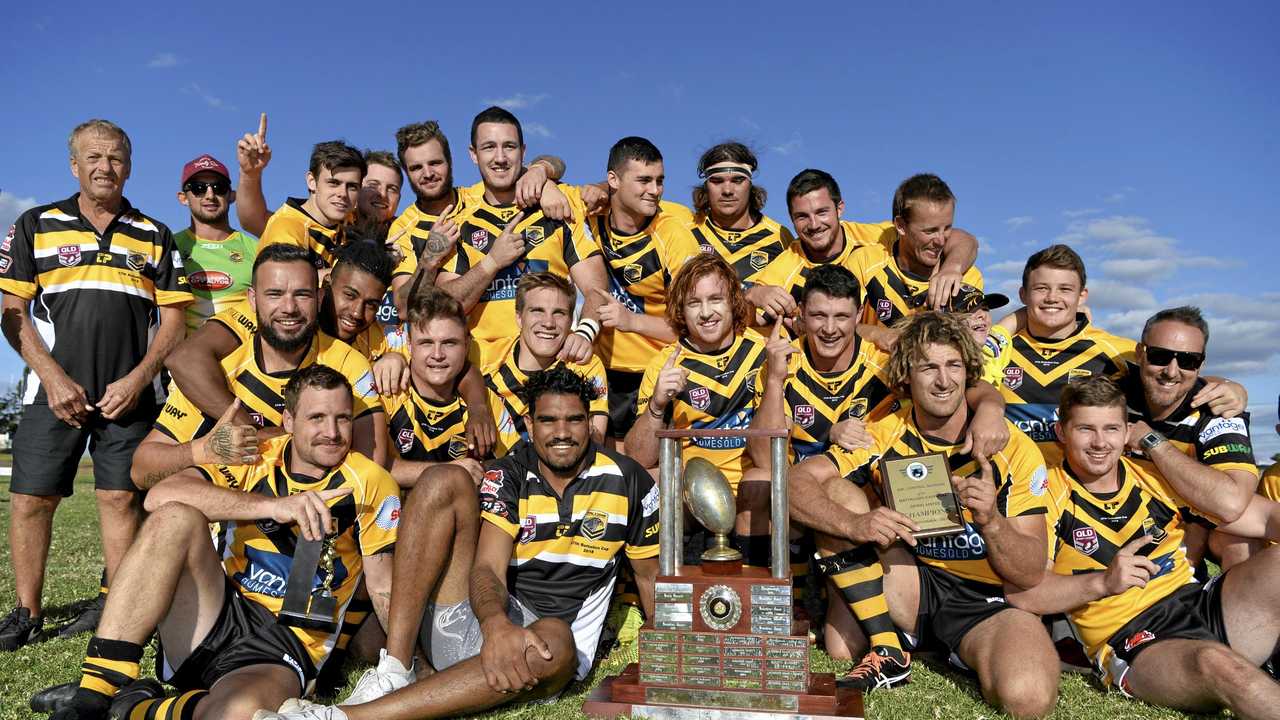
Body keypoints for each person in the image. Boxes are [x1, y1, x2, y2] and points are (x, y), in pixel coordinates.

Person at [261, 366, 660, 719]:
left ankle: (342, 718)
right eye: (548, 420)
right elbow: (487, 568)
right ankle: (396, 668)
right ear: (529, 422)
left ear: (590, 422)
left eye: (574, 420)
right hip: (481, 621)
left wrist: (665, 660)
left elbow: (648, 577)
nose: (561, 433)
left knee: (555, 636)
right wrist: (497, 625)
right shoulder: (511, 472)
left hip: (549, 648)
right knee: (443, 480)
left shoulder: (629, 481)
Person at [46, 366, 398, 720]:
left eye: (343, 418)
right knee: (174, 517)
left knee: (238, 712)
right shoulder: (256, 453)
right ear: (289, 420)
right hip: (218, 610)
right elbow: (159, 495)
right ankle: (93, 693)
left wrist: (406, 664)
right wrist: (272, 507)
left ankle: (134, 707)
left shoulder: (371, 482)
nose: (332, 432)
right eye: (317, 417)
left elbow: (382, 586)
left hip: (284, 644)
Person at [788, 312, 1061, 717]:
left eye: (953, 366)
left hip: (985, 598)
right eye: (928, 367)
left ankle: (953, 649)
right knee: (834, 492)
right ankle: (890, 647)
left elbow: (1029, 572)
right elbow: (795, 483)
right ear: (905, 376)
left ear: (968, 373)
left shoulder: (1012, 446)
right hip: (911, 579)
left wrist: (991, 522)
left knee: (1028, 697)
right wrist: (855, 524)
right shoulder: (884, 431)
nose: (943, 380)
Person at [0, 119, 191, 649]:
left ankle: (118, 608)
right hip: (50, 393)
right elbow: (10, 310)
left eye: (116, 159)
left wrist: (138, 379)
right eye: (94, 158)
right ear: (74, 164)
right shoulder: (36, 223)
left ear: (129, 166)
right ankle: (26, 613)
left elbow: (174, 321)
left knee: (118, 499)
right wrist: (54, 379)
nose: (105, 168)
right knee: (32, 500)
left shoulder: (155, 233)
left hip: (128, 395)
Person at [750, 269, 1012, 655]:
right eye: (819, 316)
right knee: (759, 480)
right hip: (806, 492)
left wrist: (991, 407)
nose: (829, 328)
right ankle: (780, 607)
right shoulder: (782, 360)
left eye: (841, 317)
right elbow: (764, 457)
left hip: (869, 499)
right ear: (801, 314)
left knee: (841, 649)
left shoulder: (883, 362)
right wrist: (775, 382)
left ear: (859, 317)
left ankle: (859, 609)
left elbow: (954, 382)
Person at [1006, 377, 1280, 718]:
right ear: (1062, 433)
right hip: (1135, 638)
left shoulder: (1153, 475)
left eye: (1110, 429)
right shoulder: (1042, 493)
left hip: (1200, 604)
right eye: (1085, 429)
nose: (1099, 443)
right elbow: (1024, 593)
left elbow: (1265, 518)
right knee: (1218, 664)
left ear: (1126, 433)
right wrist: (1103, 583)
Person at [132, 243, 386, 486]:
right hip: (226, 518)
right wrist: (203, 450)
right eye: (275, 294)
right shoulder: (217, 370)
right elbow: (141, 472)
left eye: (302, 295)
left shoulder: (348, 363)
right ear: (252, 300)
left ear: (320, 297)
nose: (289, 308)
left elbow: (369, 470)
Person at [435, 106, 608, 369]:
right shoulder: (460, 221)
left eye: (510, 147)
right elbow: (444, 307)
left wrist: (585, 332)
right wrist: (491, 263)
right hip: (484, 377)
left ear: (523, 152)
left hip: (551, 375)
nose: (500, 157)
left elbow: (596, 289)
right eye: (489, 147)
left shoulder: (558, 207)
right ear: (473, 154)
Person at [626, 254, 768, 560]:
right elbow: (639, 458)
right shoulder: (665, 363)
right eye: (694, 303)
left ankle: (763, 589)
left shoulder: (762, 352)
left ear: (733, 301)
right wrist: (657, 405)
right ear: (681, 310)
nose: (706, 313)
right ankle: (657, 597)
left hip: (750, 488)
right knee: (643, 483)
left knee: (762, 483)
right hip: (690, 492)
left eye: (715, 299)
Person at [385, 120, 570, 325]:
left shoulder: (480, 195)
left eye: (435, 163)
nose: (428, 173)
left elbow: (555, 162)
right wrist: (429, 259)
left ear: (450, 161)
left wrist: (540, 174)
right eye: (416, 168)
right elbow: (403, 308)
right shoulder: (404, 227)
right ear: (406, 172)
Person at [585, 136, 703, 447]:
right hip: (601, 370)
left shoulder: (673, 233)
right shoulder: (587, 215)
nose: (655, 190)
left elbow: (695, 327)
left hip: (655, 371)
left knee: (647, 474)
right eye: (644, 180)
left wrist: (631, 321)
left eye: (659, 181)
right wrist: (542, 170)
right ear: (613, 180)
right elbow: (543, 180)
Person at [748, 170, 978, 329]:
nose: (814, 224)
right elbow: (748, 316)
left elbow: (960, 238)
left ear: (840, 208)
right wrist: (752, 293)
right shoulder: (787, 266)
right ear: (790, 219)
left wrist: (953, 267)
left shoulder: (876, 236)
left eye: (821, 212)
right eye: (802, 217)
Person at [1119, 306, 1258, 569]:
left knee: (1242, 541)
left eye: (1188, 361)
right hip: (1115, 521)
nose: (1172, 371)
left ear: (1201, 365)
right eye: (1160, 356)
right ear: (1140, 353)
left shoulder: (1219, 408)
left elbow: (1231, 504)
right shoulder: (1111, 396)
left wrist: (1153, 442)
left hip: (1188, 524)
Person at [998, 244, 1137, 465]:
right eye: (1041, 288)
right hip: (1012, 485)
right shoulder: (1000, 347)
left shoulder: (1118, 351)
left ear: (1082, 296)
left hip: (1080, 490)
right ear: (1023, 294)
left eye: (1065, 289)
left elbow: (1176, 377)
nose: (1052, 297)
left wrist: (1213, 385)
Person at [485, 272, 609, 455]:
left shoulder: (584, 364)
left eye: (559, 313)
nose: (548, 323)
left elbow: (596, 442)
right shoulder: (484, 356)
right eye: (537, 311)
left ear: (571, 321)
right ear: (519, 318)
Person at [846, 174, 984, 328]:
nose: (940, 240)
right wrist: (879, 335)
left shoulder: (967, 277)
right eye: (930, 231)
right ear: (901, 226)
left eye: (947, 228)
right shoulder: (865, 264)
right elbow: (838, 327)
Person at [381, 288, 484, 487]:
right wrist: (453, 471)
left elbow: (511, 466)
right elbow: (371, 467)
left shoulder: (483, 403)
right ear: (409, 345)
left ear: (466, 344)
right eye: (426, 343)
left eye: (449, 343)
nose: (437, 354)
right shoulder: (387, 392)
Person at [173, 154, 258, 333]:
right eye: (199, 188)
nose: (210, 195)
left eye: (218, 188)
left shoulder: (256, 249)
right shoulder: (169, 246)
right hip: (185, 358)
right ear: (182, 198)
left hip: (244, 357)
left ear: (232, 195)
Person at [688, 141, 793, 282]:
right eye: (717, 181)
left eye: (737, 180)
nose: (727, 191)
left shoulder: (780, 237)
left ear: (750, 185)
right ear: (706, 187)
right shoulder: (687, 229)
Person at [358, 150, 402, 224]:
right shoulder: (335, 230)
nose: (383, 194)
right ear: (357, 188)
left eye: (392, 189)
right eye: (373, 185)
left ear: (399, 199)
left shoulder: (410, 234)